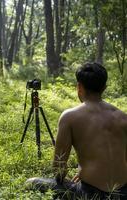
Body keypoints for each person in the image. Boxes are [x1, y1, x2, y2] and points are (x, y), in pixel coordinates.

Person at [26, 63, 127, 200]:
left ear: (79, 87)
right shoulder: (122, 117)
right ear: (104, 88)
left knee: (31, 182)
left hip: (91, 194)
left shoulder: (70, 117)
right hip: (122, 192)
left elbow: (59, 168)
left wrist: (84, 174)